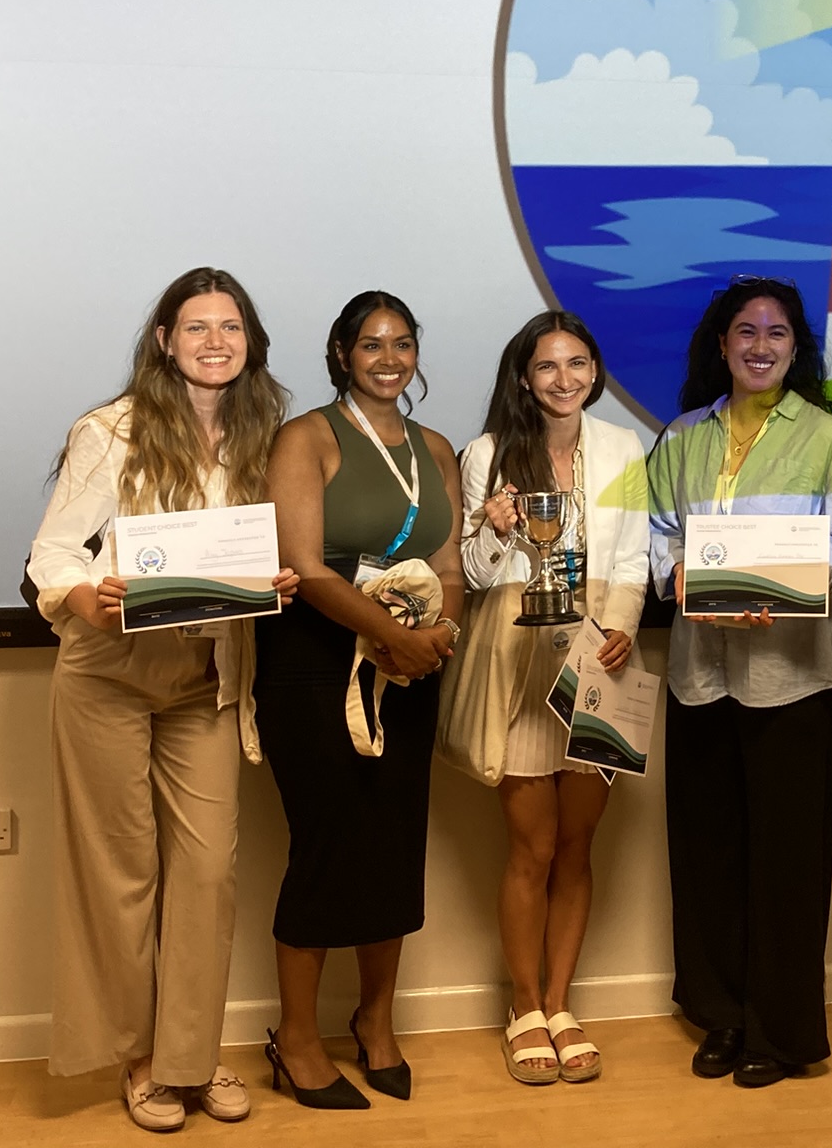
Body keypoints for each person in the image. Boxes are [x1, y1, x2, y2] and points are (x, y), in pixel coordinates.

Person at [26, 266, 299, 1132]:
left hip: (207, 678)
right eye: (196, 328)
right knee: (123, 874)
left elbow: (254, 554)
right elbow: (55, 554)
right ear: (164, 342)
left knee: (209, 875)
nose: (215, 342)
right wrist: (84, 600)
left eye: (230, 327)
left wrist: (274, 583)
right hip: (108, 670)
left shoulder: (268, 436)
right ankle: (141, 1060)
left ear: (249, 341)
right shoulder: (110, 431)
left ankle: (192, 1055)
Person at [645, 276, 832, 1088]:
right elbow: (659, 536)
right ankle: (723, 1015)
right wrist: (677, 576)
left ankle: (779, 1030)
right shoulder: (679, 438)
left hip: (792, 676)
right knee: (708, 855)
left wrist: (769, 587)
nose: (760, 346)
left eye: (777, 334)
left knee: (786, 862)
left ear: (795, 347)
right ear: (722, 344)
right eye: (746, 332)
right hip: (700, 675)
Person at [254, 291, 465, 1109]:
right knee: (328, 846)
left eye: (403, 344)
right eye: (371, 344)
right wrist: (391, 632)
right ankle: (297, 1039)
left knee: (392, 843)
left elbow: (449, 566)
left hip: (410, 671)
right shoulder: (305, 438)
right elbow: (303, 564)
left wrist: (436, 634)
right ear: (342, 353)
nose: (389, 358)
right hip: (313, 668)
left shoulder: (436, 447)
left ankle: (375, 1023)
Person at [453, 311, 650, 1084]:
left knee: (577, 846)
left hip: (600, 654)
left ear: (594, 372)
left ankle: (562, 1004)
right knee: (530, 848)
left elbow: (634, 556)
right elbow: (473, 574)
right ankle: (523, 1006)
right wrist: (495, 525)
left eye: (577, 364)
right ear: (524, 378)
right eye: (547, 367)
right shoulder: (490, 453)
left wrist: (623, 628)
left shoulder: (623, 447)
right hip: (519, 656)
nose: (563, 379)